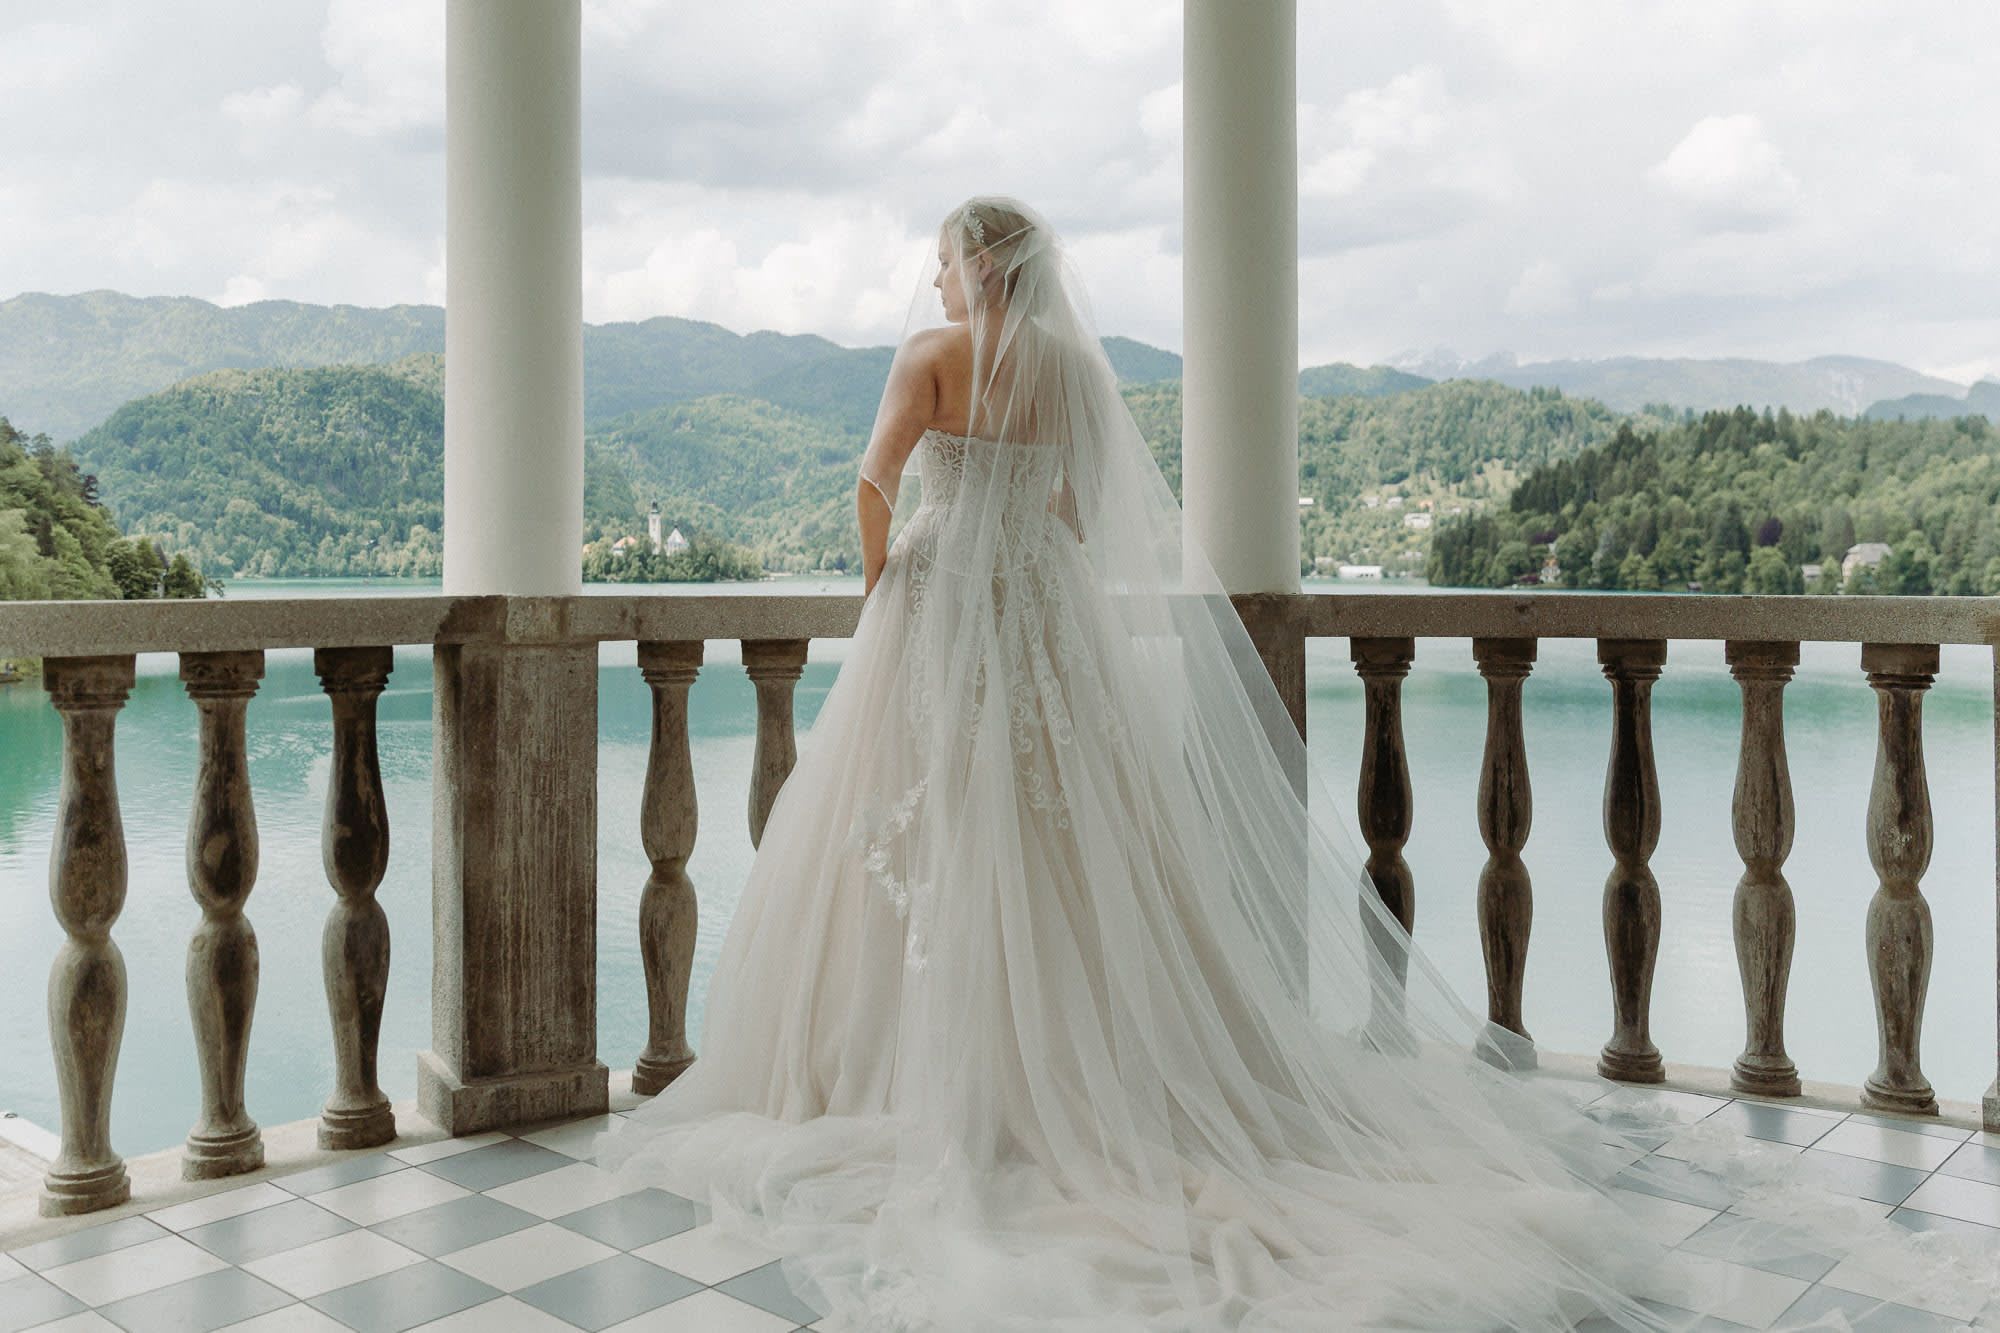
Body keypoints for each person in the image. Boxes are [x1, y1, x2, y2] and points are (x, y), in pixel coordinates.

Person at [601, 198, 1997, 1331]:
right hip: (1036, 617)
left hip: (940, 607)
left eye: (946, 259)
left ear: (972, 264)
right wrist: (1028, 575)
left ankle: (904, 1084)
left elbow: (872, 478)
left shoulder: (927, 353)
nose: (943, 277)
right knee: (1069, 853)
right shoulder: (1079, 371)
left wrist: (890, 592)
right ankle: (1077, 1079)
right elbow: (1091, 517)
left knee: (919, 846)